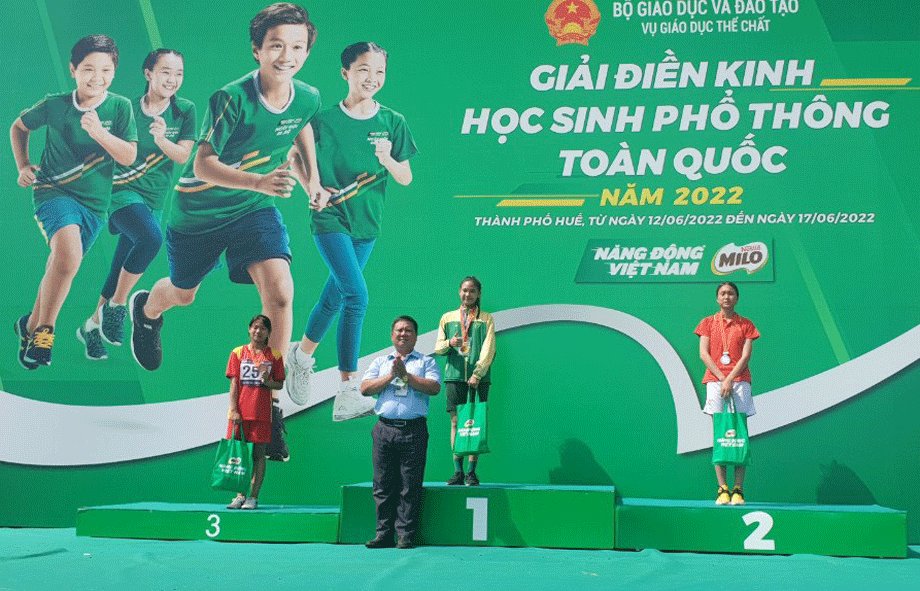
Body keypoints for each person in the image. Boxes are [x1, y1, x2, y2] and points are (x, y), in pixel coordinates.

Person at [128, 2, 327, 372]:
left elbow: (300, 125)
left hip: (253, 208)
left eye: (298, 47)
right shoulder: (231, 98)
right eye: (276, 45)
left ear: (308, 51)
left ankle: (268, 394)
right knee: (183, 294)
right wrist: (261, 181)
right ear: (257, 50)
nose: (288, 56)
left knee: (281, 295)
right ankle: (146, 310)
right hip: (198, 211)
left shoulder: (308, 97)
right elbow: (202, 164)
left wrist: (312, 180)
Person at [286, 41, 417, 415]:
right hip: (330, 218)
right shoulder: (322, 120)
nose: (372, 78)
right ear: (345, 73)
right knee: (356, 296)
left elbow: (405, 177)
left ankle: (301, 355)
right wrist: (311, 187)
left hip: (367, 224)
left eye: (379, 72)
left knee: (335, 297)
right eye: (364, 70)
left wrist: (388, 158)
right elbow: (293, 156)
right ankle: (346, 389)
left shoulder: (393, 122)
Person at [11, 35, 137, 369]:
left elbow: (128, 155)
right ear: (73, 70)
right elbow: (19, 127)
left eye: (106, 70)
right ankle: (45, 334)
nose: (97, 77)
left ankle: (27, 326)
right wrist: (23, 165)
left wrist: (100, 133)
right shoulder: (55, 104)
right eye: (88, 69)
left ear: (114, 72)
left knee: (61, 265)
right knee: (67, 257)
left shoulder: (120, 107)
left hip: (95, 206)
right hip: (53, 192)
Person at [78, 48, 196, 360]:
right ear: (148, 74)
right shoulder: (124, 109)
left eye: (179, 74)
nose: (172, 80)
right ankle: (118, 307)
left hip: (154, 199)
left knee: (121, 264)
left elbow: (183, 156)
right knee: (150, 238)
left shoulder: (185, 111)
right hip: (120, 193)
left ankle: (92, 325)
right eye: (166, 72)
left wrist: (161, 139)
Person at [361, 316, 440, 549]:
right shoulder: (380, 362)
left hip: (413, 431)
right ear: (392, 335)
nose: (403, 334)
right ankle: (383, 534)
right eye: (398, 330)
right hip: (384, 429)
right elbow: (365, 388)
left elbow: (434, 387)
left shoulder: (426, 362)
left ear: (415, 336)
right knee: (382, 484)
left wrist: (406, 376)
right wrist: (391, 376)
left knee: (410, 485)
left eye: (408, 330)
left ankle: (405, 535)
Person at [695, 281, 760, 505]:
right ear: (717, 298)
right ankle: (722, 488)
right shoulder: (707, 323)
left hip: (740, 382)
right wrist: (722, 379)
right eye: (722, 293)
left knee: (740, 433)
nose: (726, 297)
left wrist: (730, 379)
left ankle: (738, 489)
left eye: (731, 293)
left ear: (737, 298)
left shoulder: (746, 325)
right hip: (715, 381)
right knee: (720, 434)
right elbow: (704, 354)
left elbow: (745, 356)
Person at [434, 276, 496, 486]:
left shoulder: (486, 318)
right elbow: (438, 348)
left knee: (474, 423)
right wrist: (450, 342)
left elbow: (489, 349)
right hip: (454, 375)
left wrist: (478, 373)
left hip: (479, 378)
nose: (467, 294)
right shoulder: (447, 317)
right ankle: (457, 472)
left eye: (472, 291)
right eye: (464, 290)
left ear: (478, 294)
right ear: (459, 292)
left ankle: (471, 472)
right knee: (455, 422)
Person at [226, 314, 285, 510]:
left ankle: (253, 497)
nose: (258, 331)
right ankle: (239, 496)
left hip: (261, 414)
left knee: (259, 455)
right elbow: (234, 384)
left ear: (268, 332)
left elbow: (279, 384)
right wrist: (234, 409)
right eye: (255, 327)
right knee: (240, 455)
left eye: (263, 328)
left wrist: (267, 380)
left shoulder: (274, 356)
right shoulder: (237, 352)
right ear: (249, 329)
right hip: (240, 414)